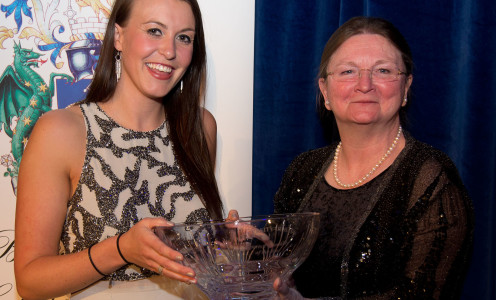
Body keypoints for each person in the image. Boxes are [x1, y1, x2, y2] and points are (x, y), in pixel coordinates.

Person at [14, 0, 224, 299]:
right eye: (154, 30)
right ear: (118, 36)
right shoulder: (62, 131)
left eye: (184, 37)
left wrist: (222, 242)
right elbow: (30, 282)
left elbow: (193, 261)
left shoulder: (200, 128)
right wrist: (121, 249)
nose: (169, 51)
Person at [272, 16, 474, 300]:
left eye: (382, 70)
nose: (364, 84)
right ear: (325, 91)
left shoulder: (432, 181)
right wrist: (250, 252)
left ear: (405, 88)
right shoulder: (302, 171)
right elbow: (281, 271)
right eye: (347, 72)